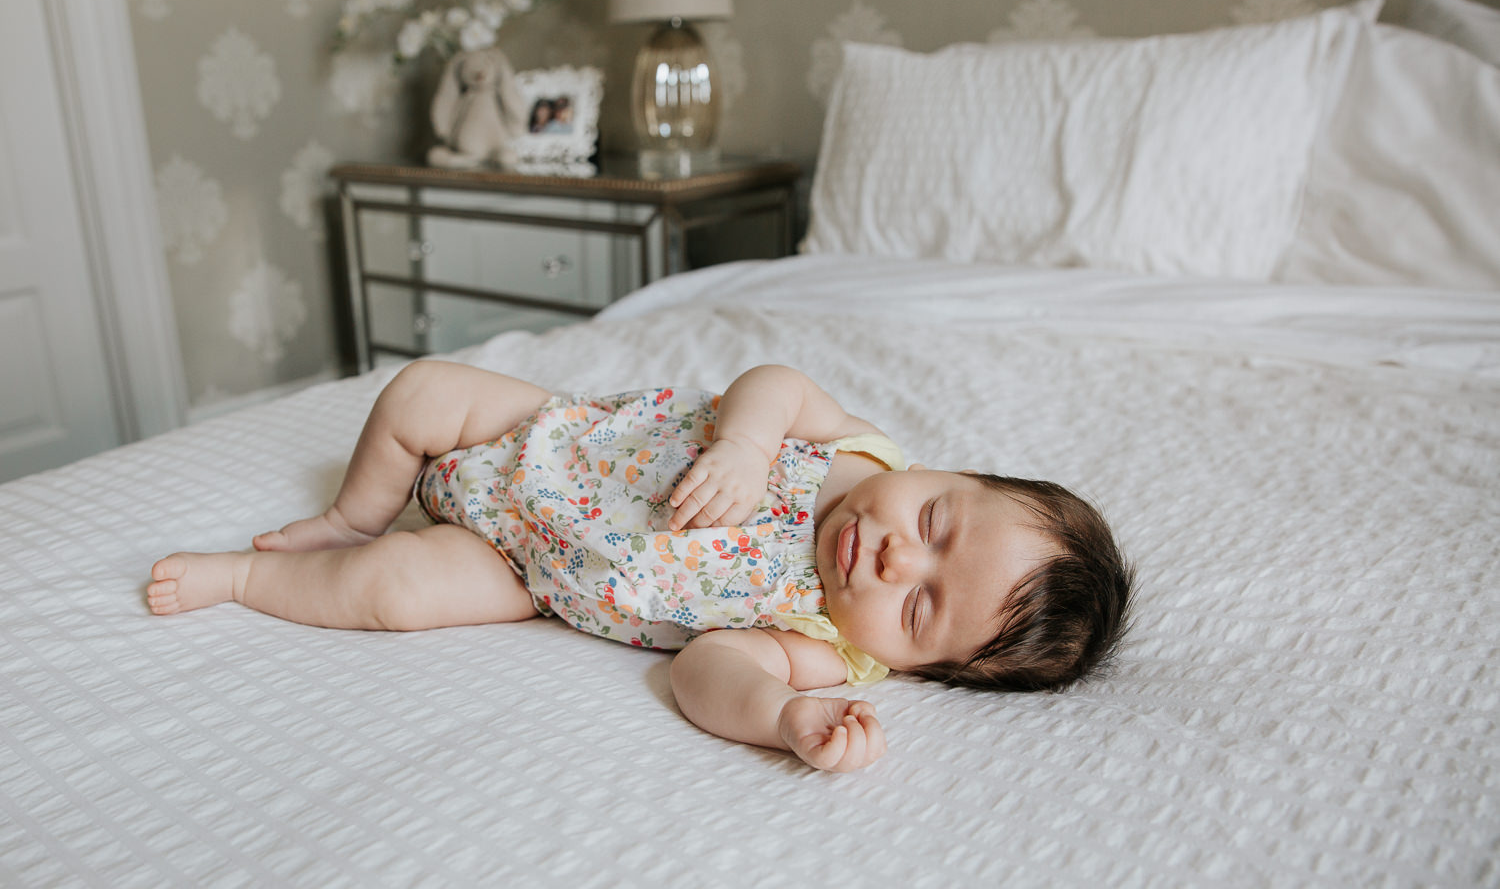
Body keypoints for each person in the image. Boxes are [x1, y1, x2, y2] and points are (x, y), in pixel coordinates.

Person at [148, 361, 1132, 772]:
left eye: (918, 608)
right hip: (544, 432)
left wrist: (783, 717)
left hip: (524, 571)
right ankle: (345, 515)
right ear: (945, 473)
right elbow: (774, 385)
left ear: (912, 668)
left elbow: (701, 672)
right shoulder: (858, 452)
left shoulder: (822, 644)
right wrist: (747, 447)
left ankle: (243, 578)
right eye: (936, 521)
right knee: (421, 390)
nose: (894, 554)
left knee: (397, 595)